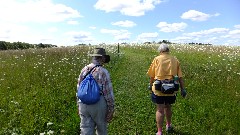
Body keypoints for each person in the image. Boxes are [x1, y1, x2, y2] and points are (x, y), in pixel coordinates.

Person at [147, 43, 187, 135]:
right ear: (168, 50)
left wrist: (150, 85)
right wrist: (183, 89)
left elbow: (152, 76)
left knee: (160, 110)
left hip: (158, 89)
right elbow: (180, 77)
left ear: (160, 51)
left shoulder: (156, 59)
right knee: (168, 107)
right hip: (171, 89)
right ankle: (168, 125)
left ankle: (159, 131)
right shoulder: (175, 60)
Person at [77, 47, 115, 135]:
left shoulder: (84, 69)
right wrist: (111, 109)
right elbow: (108, 93)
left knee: (85, 129)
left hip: (83, 103)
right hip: (98, 103)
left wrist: (78, 104)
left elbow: (79, 88)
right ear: (102, 58)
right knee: (101, 128)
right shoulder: (103, 72)